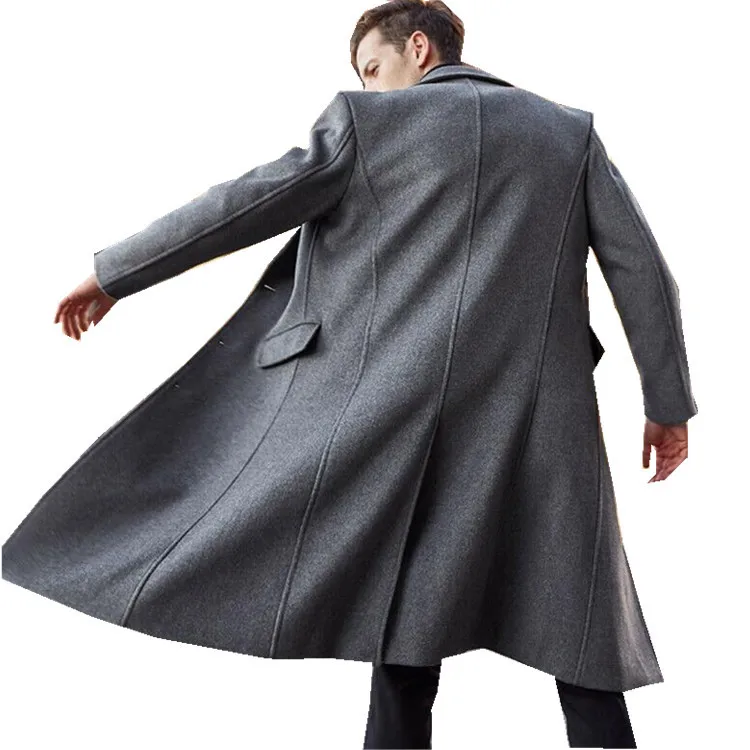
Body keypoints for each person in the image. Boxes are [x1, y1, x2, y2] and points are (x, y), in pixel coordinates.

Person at [47, 2, 693, 748]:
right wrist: (667, 406)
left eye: (373, 68)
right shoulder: (567, 133)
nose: (370, 87)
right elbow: (644, 274)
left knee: (406, 638)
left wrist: (116, 273)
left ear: (418, 47)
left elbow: (245, 202)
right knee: (582, 636)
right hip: (545, 424)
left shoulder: (368, 124)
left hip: (403, 418)